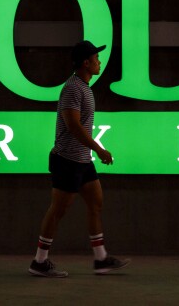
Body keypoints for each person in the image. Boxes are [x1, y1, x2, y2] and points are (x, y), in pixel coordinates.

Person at [28, 40, 130, 277]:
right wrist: (99, 149)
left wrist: (90, 153)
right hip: (67, 160)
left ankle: (101, 259)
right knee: (58, 211)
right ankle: (39, 262)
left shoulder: (85, 88)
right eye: (96, 58)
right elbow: (73, 126)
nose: (99, 62)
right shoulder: (73, 88)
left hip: (82, 162)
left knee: (95, 202)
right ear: (86, 63)